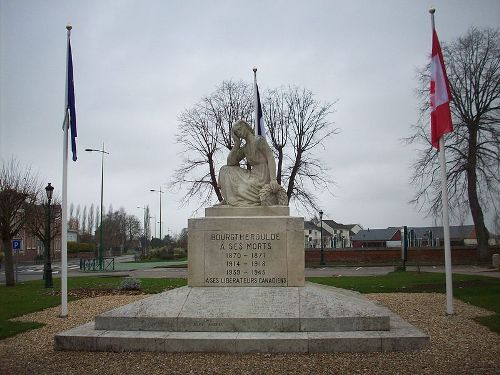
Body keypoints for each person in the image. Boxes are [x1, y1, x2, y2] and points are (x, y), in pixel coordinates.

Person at [217, 120, 283, 207]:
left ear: (245, 126)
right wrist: (237, 143)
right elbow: (230, 162)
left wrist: (273, 180)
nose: (239, 133)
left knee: (241, 190)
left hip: (262, 177)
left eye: (239, 129)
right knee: (225, 169)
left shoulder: (259, 141)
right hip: (253, 175)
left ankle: (233, 200)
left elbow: (270, 158)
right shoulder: (245, 148)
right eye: (237, 132)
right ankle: (228, 199)